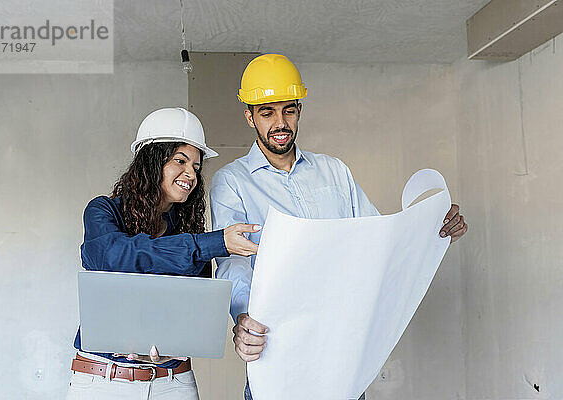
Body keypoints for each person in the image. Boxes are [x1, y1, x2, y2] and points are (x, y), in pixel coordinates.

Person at [209, 54, 469, 400]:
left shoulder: (334, 172)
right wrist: (243, 317)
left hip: (343, 351)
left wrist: (433, 229)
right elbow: (233, 262)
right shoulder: (233, 182)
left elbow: (379, 239)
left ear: (299, 110)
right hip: (279, 349)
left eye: (288, 109)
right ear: (250, 117)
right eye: (267, 112)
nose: (280, 122)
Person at [67, 107, 260, 400]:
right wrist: (212, 243)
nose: (191, 174)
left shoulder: (189, 231)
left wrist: (174, 344)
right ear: (151, 162)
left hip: (173, 380)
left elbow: (196, 311)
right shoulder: (103, 212)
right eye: (180, 161)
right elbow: (117, 257)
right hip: (102, 380)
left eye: (196, 166)